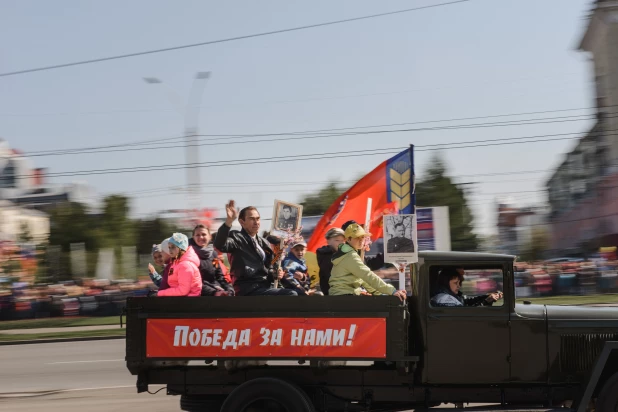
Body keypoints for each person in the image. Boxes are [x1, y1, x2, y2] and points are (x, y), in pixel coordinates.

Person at [215, 200, 295, 296]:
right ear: (242, 222)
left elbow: (269, 268)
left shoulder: (264, 243)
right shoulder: (236, 237)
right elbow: (220, 245)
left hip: (265, 287)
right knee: (291, 294)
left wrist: (276, 273)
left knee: (299, 294)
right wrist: (228, 221)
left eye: (258, 219)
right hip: (248, 289)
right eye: (252, 219)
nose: (256, 222)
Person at [329, 223, 407, 301]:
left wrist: (380, 293)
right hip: (344, 297)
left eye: (362, 237)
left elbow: (363, 278)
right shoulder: (350, 255)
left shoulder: (348, 253)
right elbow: (367, 275)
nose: (361, 240)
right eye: (357, 237)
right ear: (348, 239)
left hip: (342, 295)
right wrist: (392, 291)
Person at [189, 224, 235, 297]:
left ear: (209, 237)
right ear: (193, 237)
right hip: (200, 294)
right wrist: (214, 293)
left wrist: (229, 289)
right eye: (197, 235)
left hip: (216, 289)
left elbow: (219, 275)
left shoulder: (213, 254)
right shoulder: (189, 255)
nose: (201, 237)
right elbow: (193, 281)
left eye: (204, 234)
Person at [156, 233, 202, 297]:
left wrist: (160, 293)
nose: (170, 250)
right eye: (169, 247)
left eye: (173, 247)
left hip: (189, 302)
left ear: (181, 248)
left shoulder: (185, 265)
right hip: (180, 299)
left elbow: (183, 291)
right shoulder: (176, 263)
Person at [430, 267, 503, 307]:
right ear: (446, 282)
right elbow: (467, 315)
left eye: (459, 283)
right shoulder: (445, 300)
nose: (459, 286)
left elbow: (466, 302)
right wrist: (487, 301)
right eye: (455, 283)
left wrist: (487, 297)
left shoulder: (450, 296)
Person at [316, 228, 346, 295]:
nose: (340, 243)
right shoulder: (325, 253)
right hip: (331, 289)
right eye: (337, 240)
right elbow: (328, 273)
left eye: (343, 240)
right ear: (328, 240)